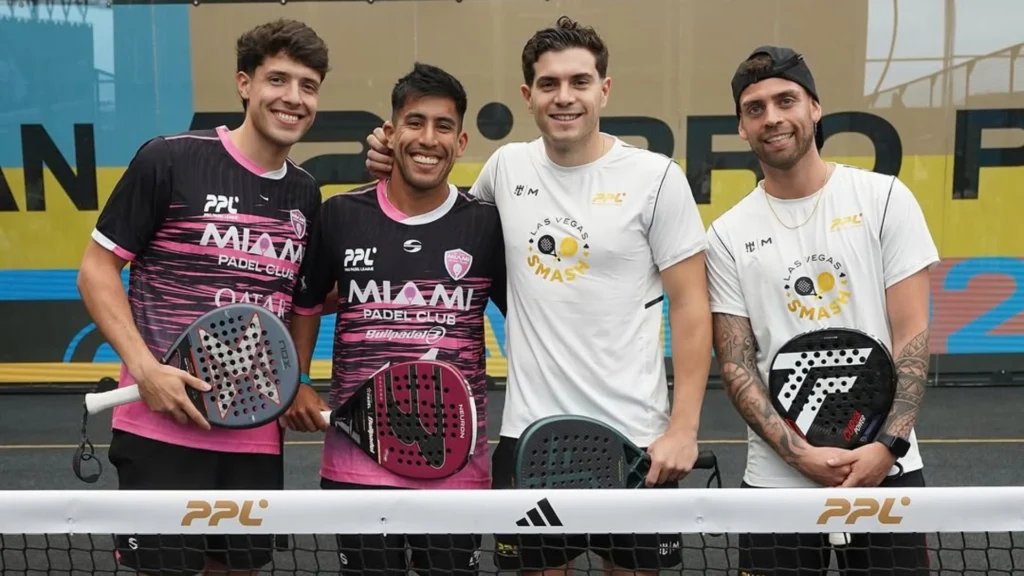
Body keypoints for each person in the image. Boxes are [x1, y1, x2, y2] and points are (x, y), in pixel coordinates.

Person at [365, 17, 713, 576]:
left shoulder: (655, 178)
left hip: (637, 442)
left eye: (579, 81)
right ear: (528, 96)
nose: (564, 97)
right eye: (549, 84)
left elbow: (693, 308)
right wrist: (390, 161)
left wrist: (683, 429)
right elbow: (438, 221)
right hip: (530, 440)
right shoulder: (506, 169)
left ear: (605, 88)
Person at [76, 19, 329, 576]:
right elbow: (97, 270)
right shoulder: (170, 159)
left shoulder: (305, 192)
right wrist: (145, 369)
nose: (293, 98)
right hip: (160, 426)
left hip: (254, 434)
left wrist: (300, 376)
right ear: (244, 83)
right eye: (278, 80)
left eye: (308, 86)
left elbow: (301, 299)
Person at [705, 46, 935, 575]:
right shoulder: (724, 236)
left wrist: (887, 447)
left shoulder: (883, 200)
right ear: (742, 128)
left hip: (887, 470)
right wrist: (797, 455)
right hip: (775, 483)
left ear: (815, 108)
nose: (773, 118)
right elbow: (738, 364)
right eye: (755, 108)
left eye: (786, 100)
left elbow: (913, 338)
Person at [284, 62, 507, 575]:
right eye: (414, 122)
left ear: (462, 141)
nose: (428, 138)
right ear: (390, 132)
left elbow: (531, 318)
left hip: (458, 467)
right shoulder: (340, 214)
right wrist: (294, 382)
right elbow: (306, 301)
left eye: (443, 126)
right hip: (355, 466)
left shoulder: (486, 224)